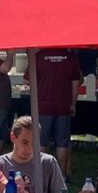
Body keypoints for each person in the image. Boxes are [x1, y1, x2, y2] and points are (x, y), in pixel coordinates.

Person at [26, 48, 82, 177]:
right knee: (62, 143)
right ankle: (61, 176)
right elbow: (76, 83)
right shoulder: (70, 57)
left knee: (41, 142)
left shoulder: (38, 57)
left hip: (42, 107)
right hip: (63, 106)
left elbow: (27, 81)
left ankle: (40, 176)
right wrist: (73, 103)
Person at [0, 115, 66, 193]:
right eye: (25, 143)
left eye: (34, 144)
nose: (29, 149)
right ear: (13, 137)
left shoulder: (48, 162)